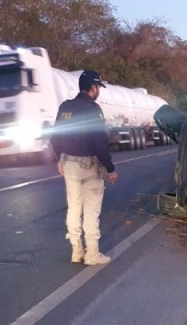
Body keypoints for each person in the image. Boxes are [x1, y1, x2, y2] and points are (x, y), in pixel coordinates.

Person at [50, 70, 117, 265]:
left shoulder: (65, 107)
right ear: (94, 87)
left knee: (73, 208)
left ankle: (76, 251)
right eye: (98, 88)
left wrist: (60, 159)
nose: (98, 91)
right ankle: (92, 254)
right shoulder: (93, 109)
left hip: (69, 164)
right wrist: (110, 168)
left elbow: (56, 138)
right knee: (91, 209)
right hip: (89, 166)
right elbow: (99, 142)